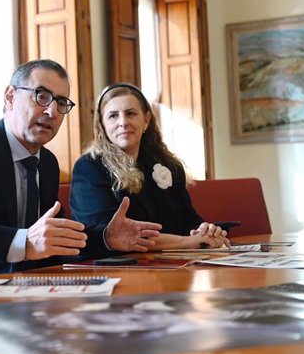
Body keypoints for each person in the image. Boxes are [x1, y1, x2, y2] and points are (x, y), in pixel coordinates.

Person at [0, 60, 162, 276]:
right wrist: (21, 242)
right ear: (10, 97)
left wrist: (106, 238)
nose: (52, 110)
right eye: (41, 96)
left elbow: (53, 236)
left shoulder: (48, 163)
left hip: (25, 289)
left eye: (61, 102)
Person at [70, 82, 229, 251]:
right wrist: (185, 243)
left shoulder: (169, 166)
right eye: (113, 116)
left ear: (146, 120)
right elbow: (112, 236)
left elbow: (189, 220)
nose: (123, 122)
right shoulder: (89, 168)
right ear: (102, 124)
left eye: (131, 113)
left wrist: (206, 232)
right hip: (116, 267)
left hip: (169, 263)